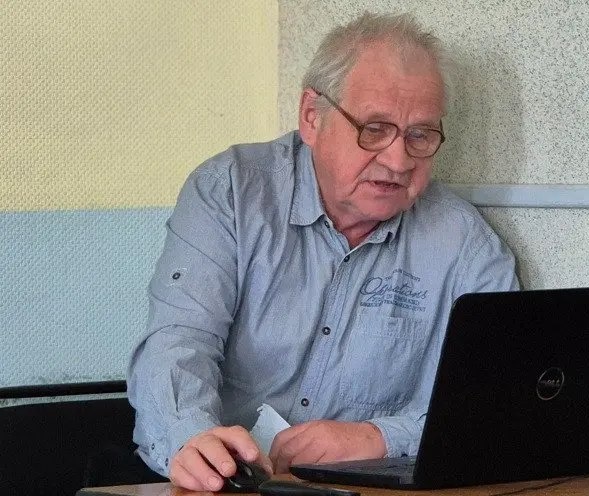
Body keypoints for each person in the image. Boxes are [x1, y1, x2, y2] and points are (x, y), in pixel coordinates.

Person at [127, 11, 519, 492]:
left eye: (419, 135)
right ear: (312, 117)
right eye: (374, 128)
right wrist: (192, 437)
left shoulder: (467, 246)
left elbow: (496, 403)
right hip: (224, 485)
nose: (398, 160)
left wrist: (379, 438)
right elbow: (179, 341)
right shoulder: (230, 191)